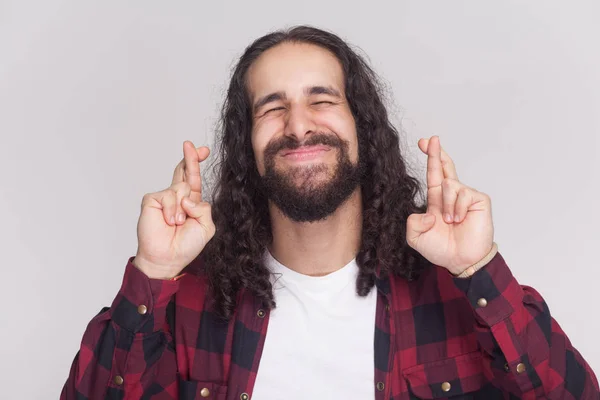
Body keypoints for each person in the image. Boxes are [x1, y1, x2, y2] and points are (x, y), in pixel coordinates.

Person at [61, 25, 599, 400]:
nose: (298, 126)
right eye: (272, 107)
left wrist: (479, 269)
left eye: (322, 99)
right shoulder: (192, 299)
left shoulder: (451, 289)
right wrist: (152, 274)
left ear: (361, 127)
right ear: (246, 143)